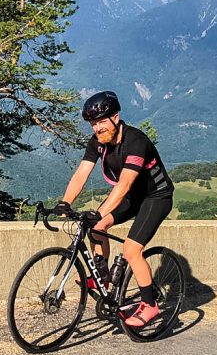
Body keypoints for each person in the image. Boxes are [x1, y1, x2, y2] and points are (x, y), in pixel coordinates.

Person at [56, 91, 174, 327]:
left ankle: (150, 305)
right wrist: (65, 202)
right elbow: (81, 173)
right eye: (93, 124)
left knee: (131, 250)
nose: (97, 128)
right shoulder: (98, 142)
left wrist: (100, 211)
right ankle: (102, 276)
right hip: (133, 197)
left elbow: (124, 184)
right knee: (97, 228)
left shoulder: (136, 141)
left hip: (156, 197)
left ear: (115, 118)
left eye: (101, 122)